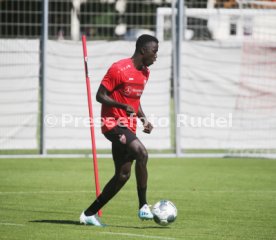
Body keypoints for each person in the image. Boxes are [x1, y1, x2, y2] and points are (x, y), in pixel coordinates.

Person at [80, 34, 159, 226]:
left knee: (123, 175)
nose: (156, 56)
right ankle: (143, 206)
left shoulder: (145, 73)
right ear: (143, 51)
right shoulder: (119, 69)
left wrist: (143, 120)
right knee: (142, 153)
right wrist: (122, 107)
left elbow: (135, 101)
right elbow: (100, 96)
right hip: (112, 124)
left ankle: (89, 214)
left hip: (128, 126)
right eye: (154, 51)